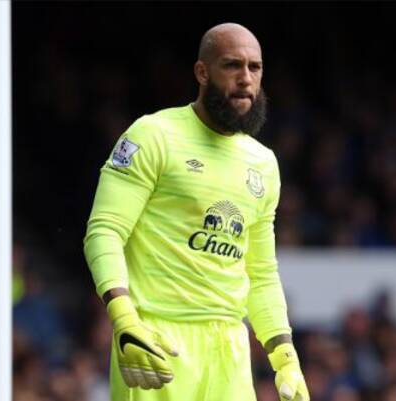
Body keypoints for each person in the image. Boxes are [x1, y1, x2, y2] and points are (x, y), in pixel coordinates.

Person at [84, 22, 310, 401]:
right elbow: (104, 231)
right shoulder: (152, 135)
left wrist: (284, 355)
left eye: (254, 67)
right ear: (202, 72)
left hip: (230, 351)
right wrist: (123, 318)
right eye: (232, 65)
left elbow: (260, 271)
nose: (246, 78)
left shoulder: (263, 163)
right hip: (157, 342)